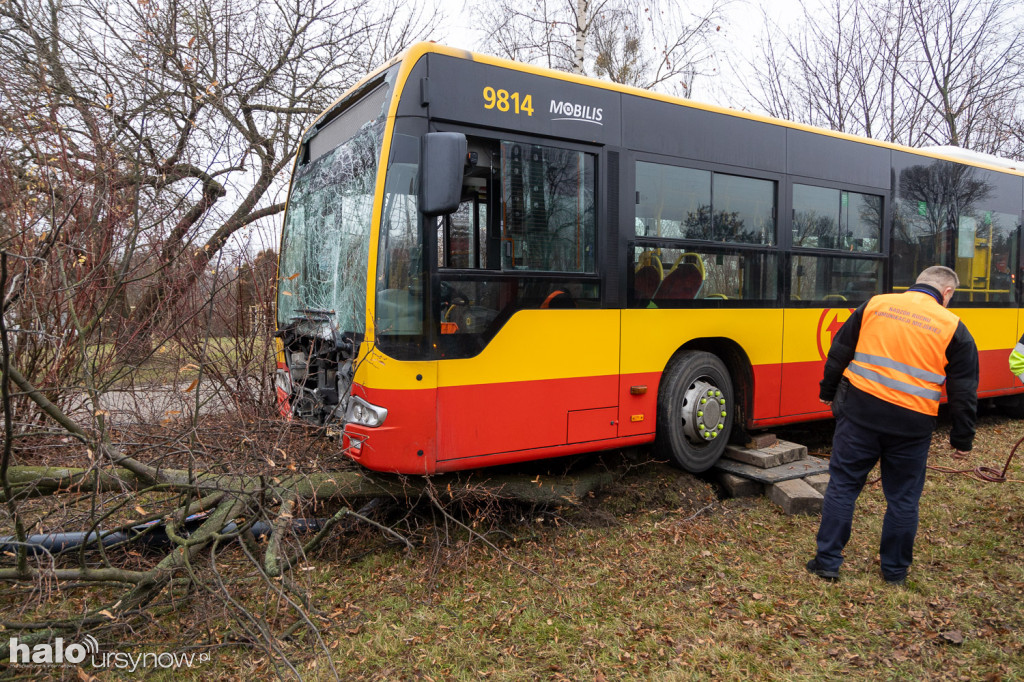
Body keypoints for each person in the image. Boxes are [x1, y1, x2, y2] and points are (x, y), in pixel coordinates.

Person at [807, 265, 978, 587]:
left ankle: (827, 563)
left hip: (860, 414)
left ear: (917, 283)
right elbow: (964, 390)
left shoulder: (875, 305)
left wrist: (827, 393)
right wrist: (961, 439)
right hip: (912, 426)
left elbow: (839, 352)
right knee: (903, 499)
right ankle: (894, 573)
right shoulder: (953, 326)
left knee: (843, 487)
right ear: (947, 292)